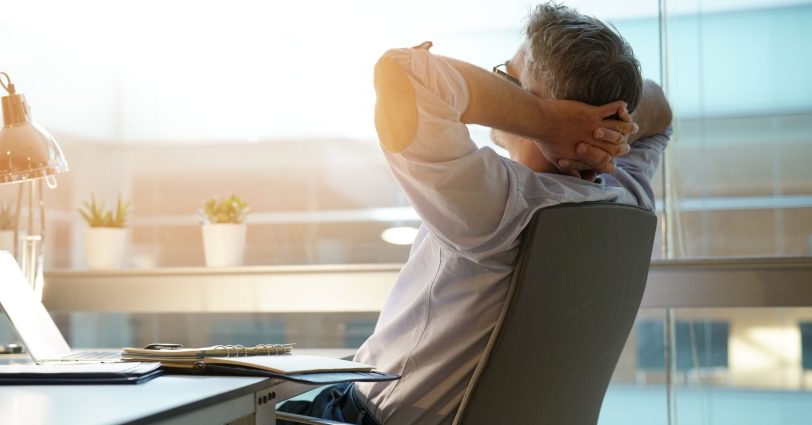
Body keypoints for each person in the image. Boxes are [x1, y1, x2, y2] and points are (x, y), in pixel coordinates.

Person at [278, 3, 672, 425]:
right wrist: (606, 122)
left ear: (542, 105)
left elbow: (401, 74)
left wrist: (547, 122)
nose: (500, 89)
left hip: (362, 417)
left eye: (508, 81)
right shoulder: (626, 197)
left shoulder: (498, 205)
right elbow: (661, 110)